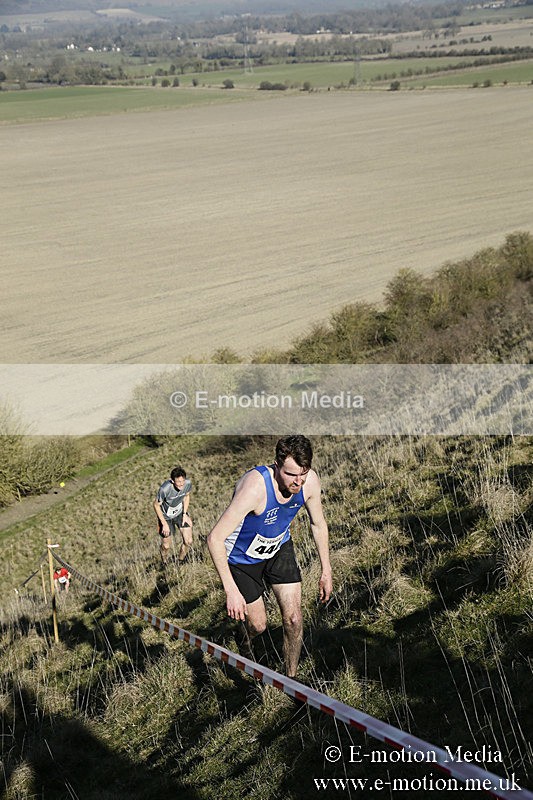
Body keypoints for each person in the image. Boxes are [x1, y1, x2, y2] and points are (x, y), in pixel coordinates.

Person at [207, 435, 332, 678]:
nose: (298, 482)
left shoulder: (310, 483)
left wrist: (326, 569)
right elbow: (214, 539)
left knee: (294, 619)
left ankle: (291, 680)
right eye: (291, 474)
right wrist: (231, 591)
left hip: (278, 548)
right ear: (277, 465)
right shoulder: (255, 488)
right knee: (258, 625)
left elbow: (318, 524)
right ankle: (244, 639)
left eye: (302, 474)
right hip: (241, 560)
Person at [153, 466, 193, 564]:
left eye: (182, 481)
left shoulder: (187, 484)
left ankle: (180, 561)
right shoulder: (164, 489)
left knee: (188, 541)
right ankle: (164, 561)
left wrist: (185, 514)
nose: (181, 484)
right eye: (178, 482)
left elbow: (187, 496)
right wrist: (164, 524)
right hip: (166, 517)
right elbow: (156, 505)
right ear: (172, 481)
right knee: (166, 546)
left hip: (179, 513)